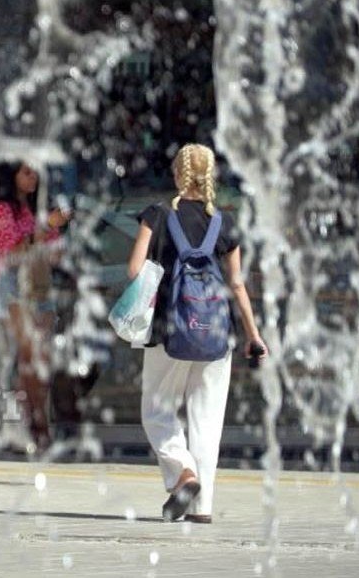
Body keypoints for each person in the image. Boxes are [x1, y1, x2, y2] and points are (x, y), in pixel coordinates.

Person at [127, 144, 268, 524]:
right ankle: (201, 507)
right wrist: (254, 335)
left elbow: (134, 270)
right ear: (210, 178)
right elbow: (236, 284)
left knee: (157, 410)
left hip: (169, 332)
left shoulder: (157, 215)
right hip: (217, 335)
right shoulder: (223, 223)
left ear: (178, 174)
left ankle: (182, 472)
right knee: (207, 419)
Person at [0, 162, 70, 450]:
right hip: (13, 287)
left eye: (35, 172)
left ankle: (33, 424)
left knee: (39, 361)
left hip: (39, 287)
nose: (33, 177)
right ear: (12, 176)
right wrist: (45, 229)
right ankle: (36, 427)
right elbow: (8, 253)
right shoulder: (2, 211)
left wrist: (53, 235)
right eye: (26, 172)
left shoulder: (36, 212)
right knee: (26, 356)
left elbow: (55, 255)